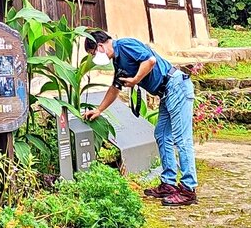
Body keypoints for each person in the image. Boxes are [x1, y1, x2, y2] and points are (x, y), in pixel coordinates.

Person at [82, 30, 197, 206]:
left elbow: (150, 61)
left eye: (92, 53)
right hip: (166, 92)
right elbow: (115, 88)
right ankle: (169, 183)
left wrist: (135, 79)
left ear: (99, 46)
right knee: (162, 135)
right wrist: (98, 110)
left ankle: (188, 189)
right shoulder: (118, 61)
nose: (94, 57)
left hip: (176, 87)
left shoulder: (125, 45)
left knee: (182, 139)